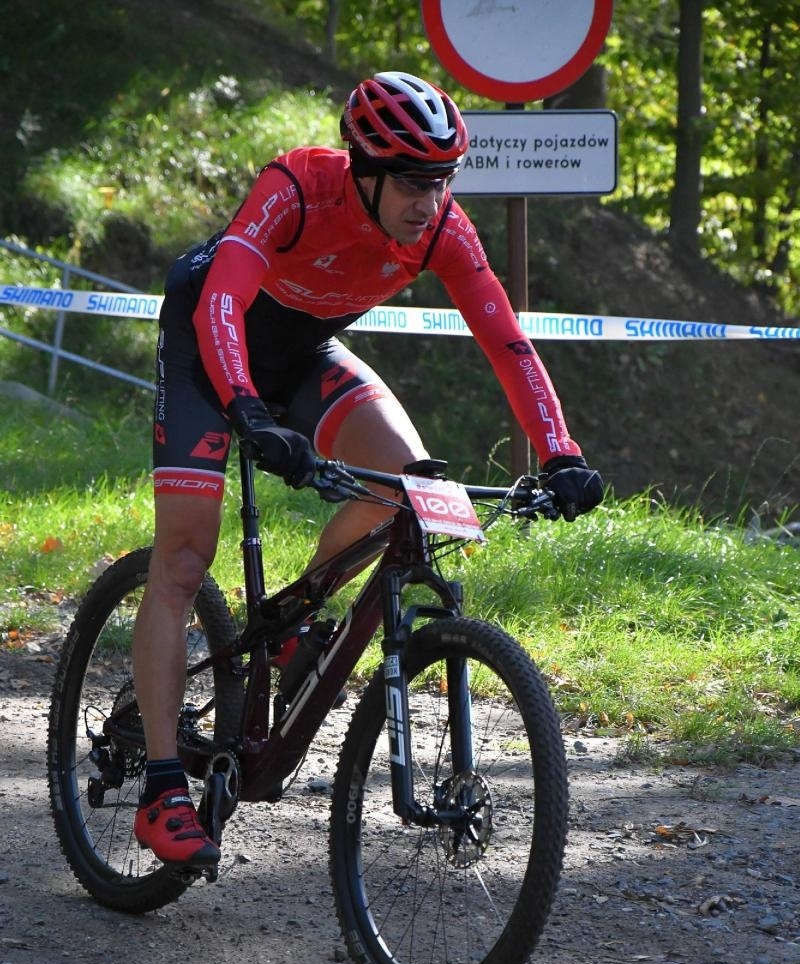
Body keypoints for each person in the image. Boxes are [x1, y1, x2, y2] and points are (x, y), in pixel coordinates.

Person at [131, 70, 603, 869]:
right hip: (210, 347)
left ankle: (294, 626)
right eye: (415, 181)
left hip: (303, 353)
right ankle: (161, 787)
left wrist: (562, 451)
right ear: (366, 170)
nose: (432, 199)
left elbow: (506, 341)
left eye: (445, 179)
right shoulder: (298, 186)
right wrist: (247, 410)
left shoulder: (442, 228)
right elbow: (222, 301)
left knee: (409, 485)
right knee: (182, 560)